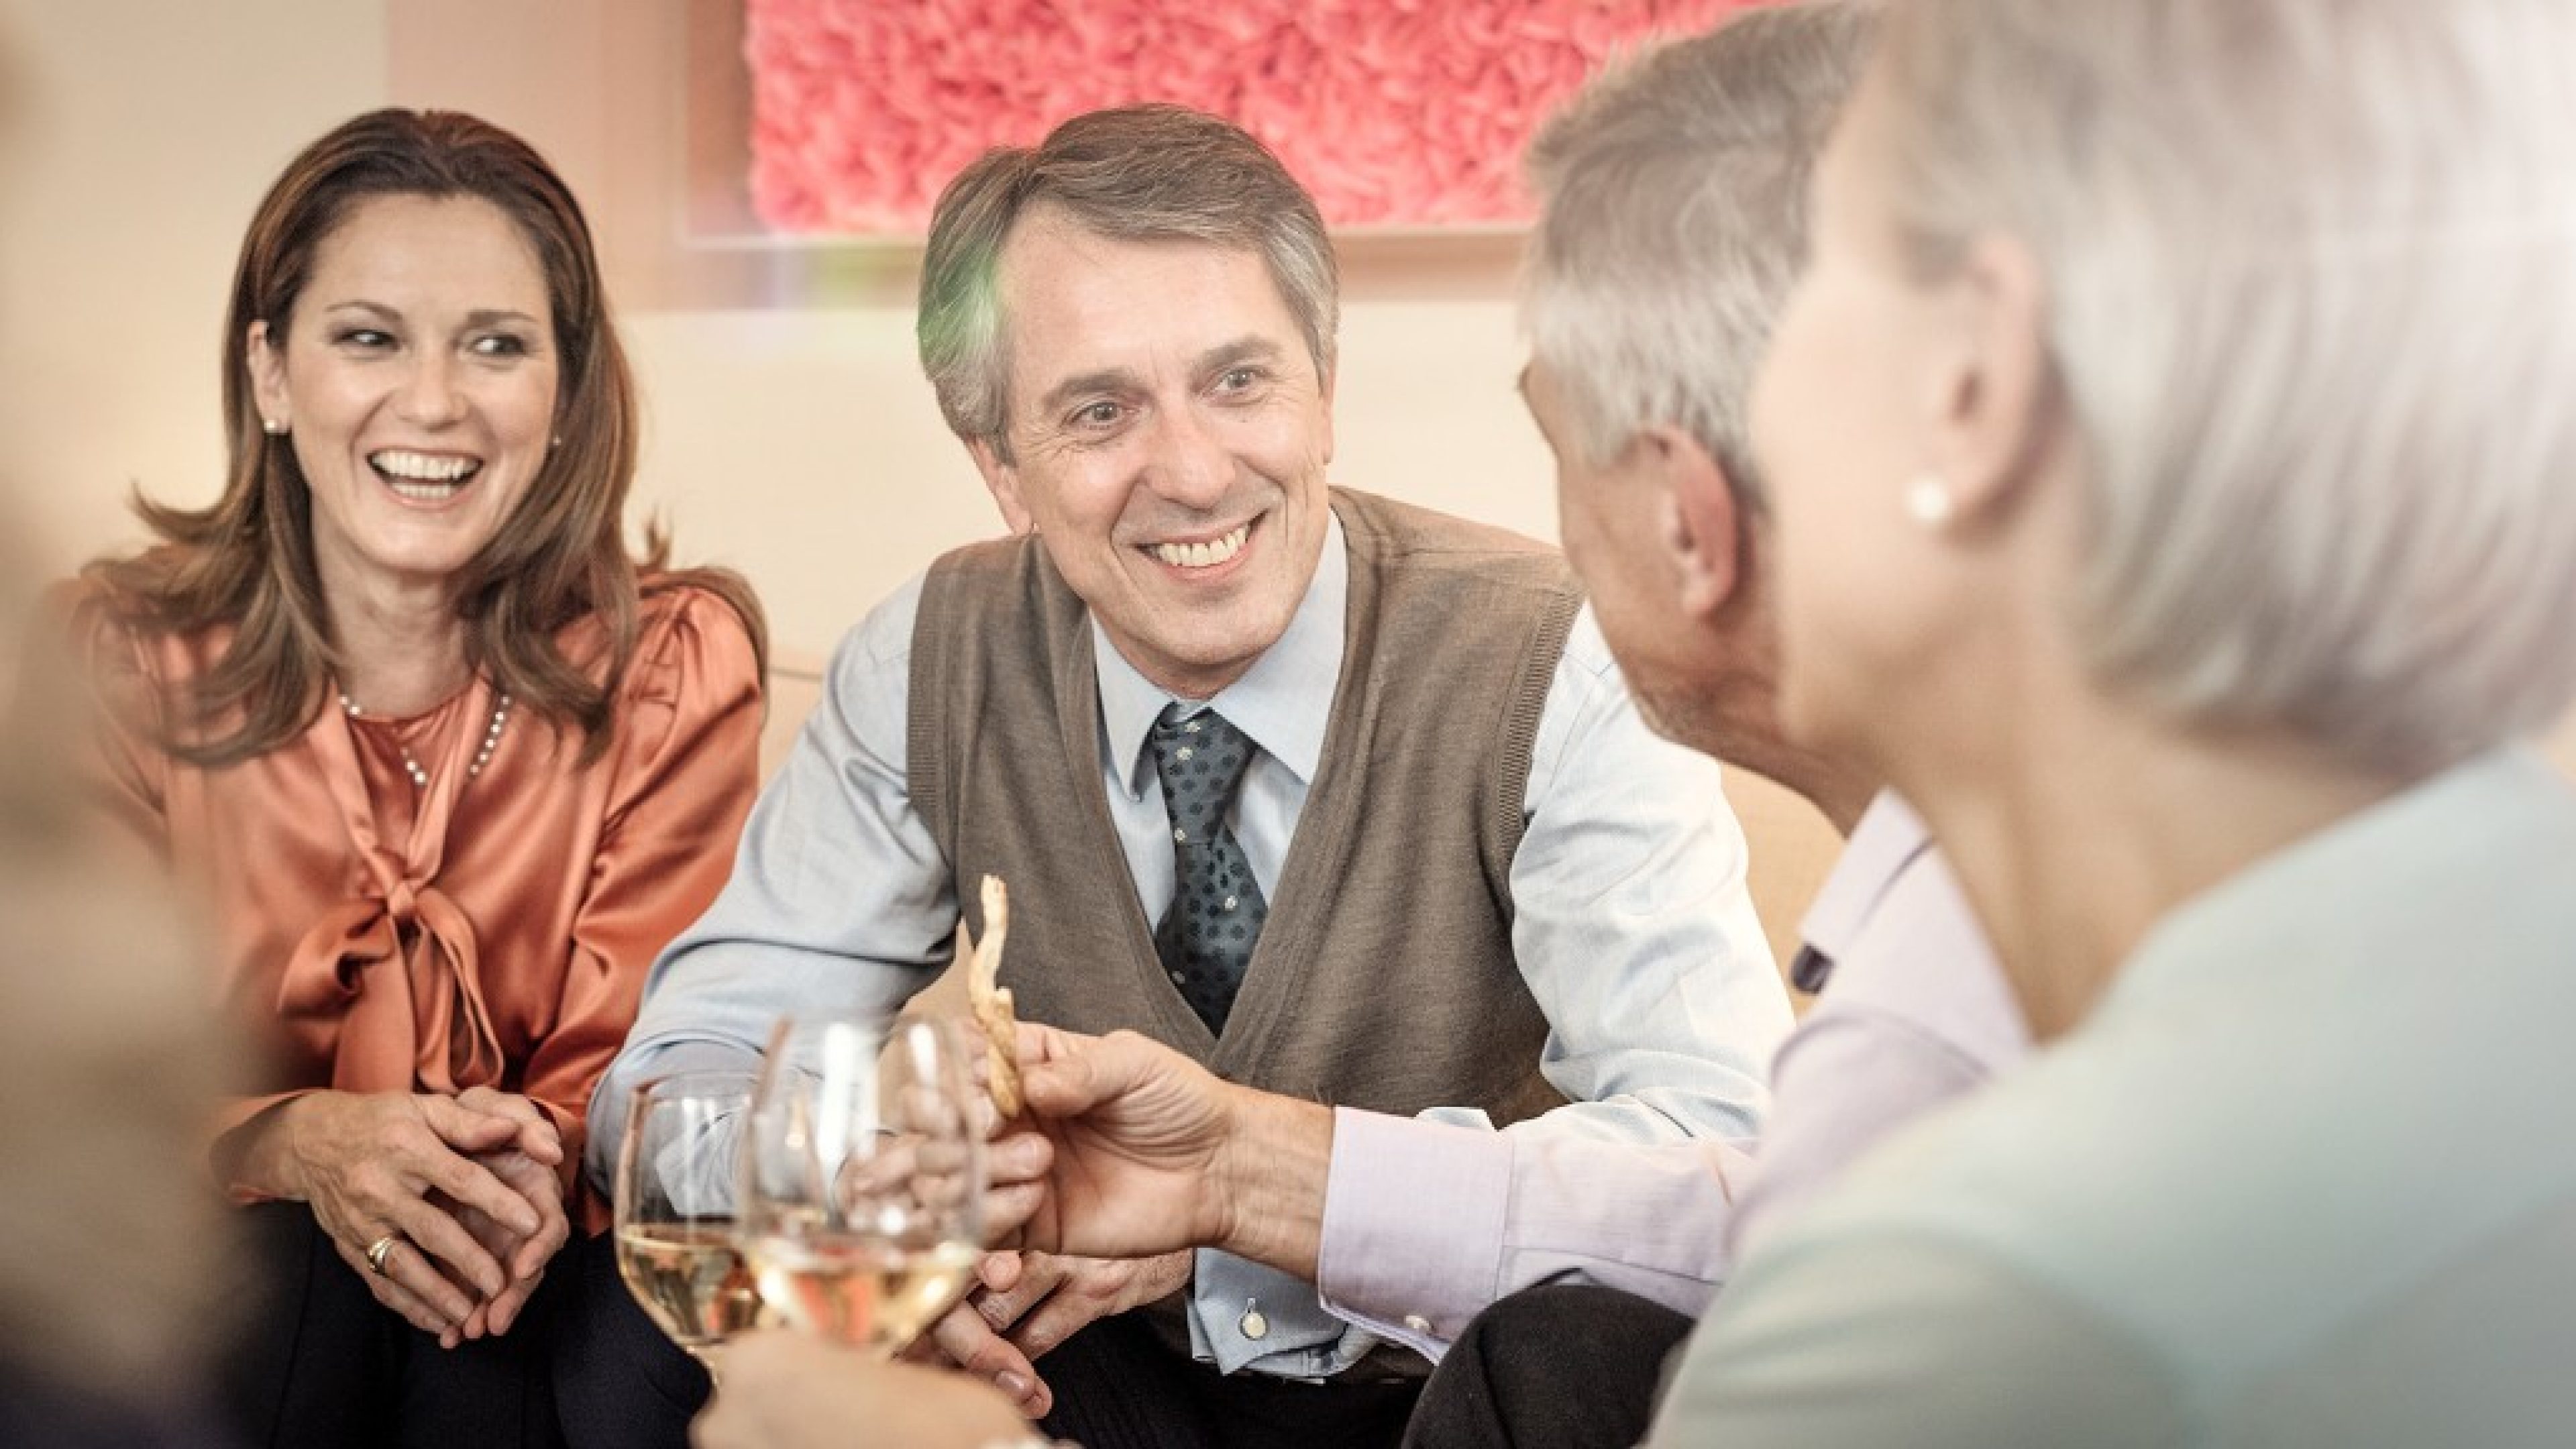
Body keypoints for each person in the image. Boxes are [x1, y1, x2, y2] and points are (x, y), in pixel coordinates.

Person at [694, 7, 2031, 1448]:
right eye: (1098, 412)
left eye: (1239, 379)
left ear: (1327, 390)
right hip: (1090, 1368)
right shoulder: (930, 654)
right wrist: (870, 1202)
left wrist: (1257, 1195)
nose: (1192, 471)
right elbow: (685, 1086)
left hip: (1428, 1391)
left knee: (1563, 1355)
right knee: (679, 1332)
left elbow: (1729, 1169)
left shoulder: (1549, 653)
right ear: (1003, 467)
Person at [63, 107, 767, 1448]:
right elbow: (76, 1078)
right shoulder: (117, 662)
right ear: (272, 373)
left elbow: (649, 1073)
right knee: (294, 1275)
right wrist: (294, 1143)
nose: (433, 402)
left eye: (495, 345)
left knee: (543, 1327)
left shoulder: (671, 662)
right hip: (228, 1269)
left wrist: (498, 1174)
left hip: (545, 1268)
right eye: (369, 336)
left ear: (565, 393)